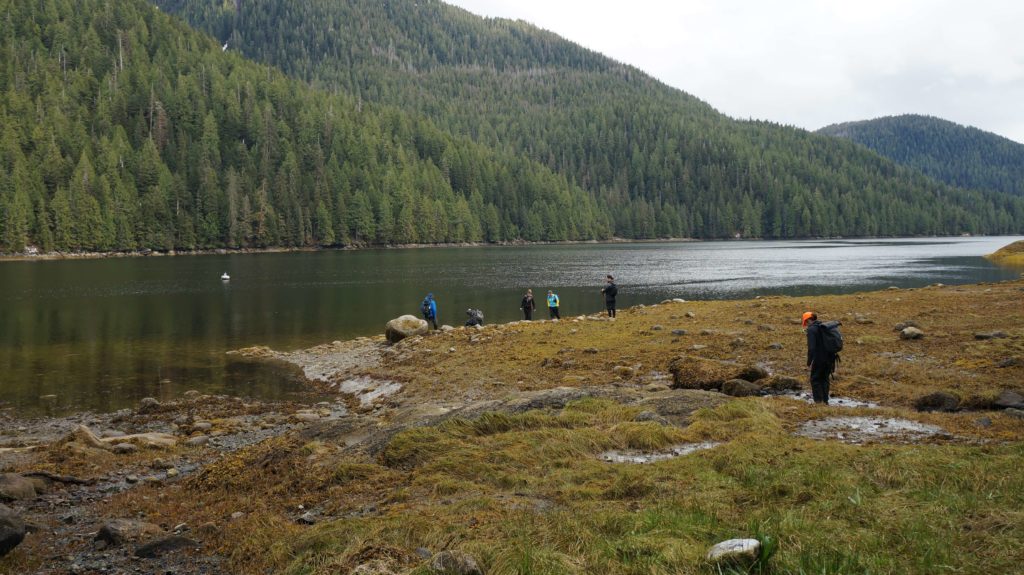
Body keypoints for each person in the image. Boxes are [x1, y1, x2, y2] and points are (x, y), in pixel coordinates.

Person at [803, 311, 836, 405]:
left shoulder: (811, 330)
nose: (806, 324)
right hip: (830, 357)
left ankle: (818, 402)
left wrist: (809, 362)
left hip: (819, 358)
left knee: (815, 379)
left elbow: (812, 348)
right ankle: (825, 401)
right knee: (825, 378)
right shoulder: (823, 326)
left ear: (809, 320)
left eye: (806, 322)